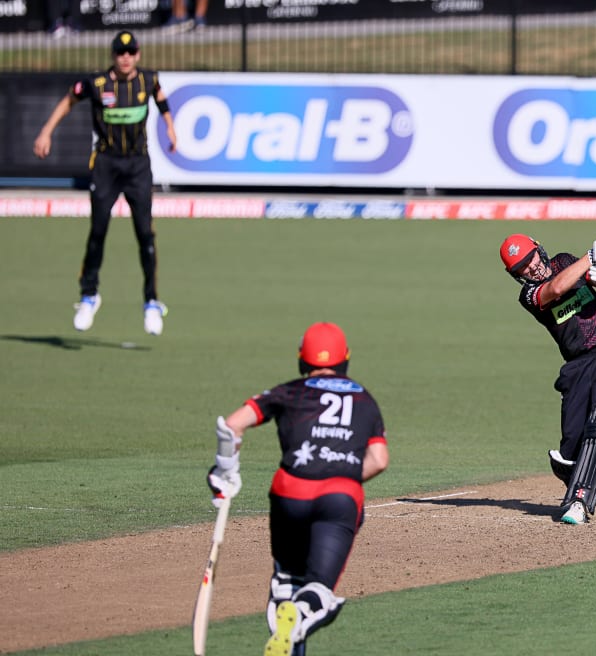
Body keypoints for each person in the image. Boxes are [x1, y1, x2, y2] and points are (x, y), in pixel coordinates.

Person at [206, 322, 390, 656]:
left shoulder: (288, 391)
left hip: (289, 492)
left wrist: (224, 473)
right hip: (340, 497)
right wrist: (342, 471)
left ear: (301, 359)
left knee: (286, 582)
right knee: (317, 588)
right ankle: (302, 614)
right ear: (345, 358)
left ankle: (289, 620)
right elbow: (378, 460)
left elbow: (231, 426)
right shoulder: (365, 399)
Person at [33, 31, 177, 336]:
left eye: (130, 52)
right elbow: (68, 101)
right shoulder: (97, 84)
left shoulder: (148, 80)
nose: (125, 57)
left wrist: (170, 129)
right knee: (98, 231)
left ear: (138, 54)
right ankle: (89, 295)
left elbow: (162, 101)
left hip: (138, 166)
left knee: (145, 235)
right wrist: (46, 131)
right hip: (106, 165)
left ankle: (151, 301)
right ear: (113, 55)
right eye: (120, 52)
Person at [498, 233, 596, 525]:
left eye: (530, 258)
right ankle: (577, 475)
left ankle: (579, 502)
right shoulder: (530, 295)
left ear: (539, 250)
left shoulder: (564, 261)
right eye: (521, 267)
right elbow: (558, 287)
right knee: (570, 452)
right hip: (577, 367)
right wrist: (592, 255)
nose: (530, 268)